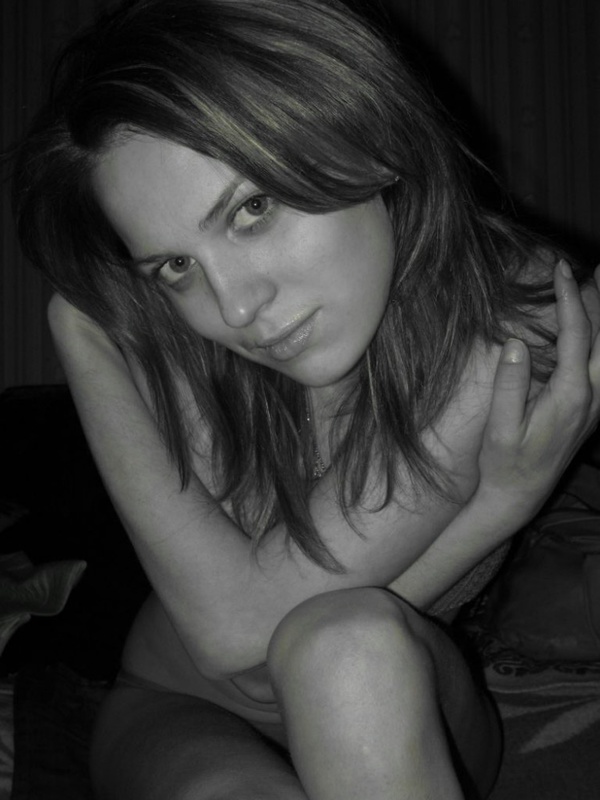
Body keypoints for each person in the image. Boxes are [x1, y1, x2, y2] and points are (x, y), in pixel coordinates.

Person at [12, 0, 600, 797]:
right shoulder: (181, 331)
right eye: (174, 265)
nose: (235, 308)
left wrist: (504, 503)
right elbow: (232, 658)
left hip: (395, 688)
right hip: (174, 702)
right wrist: (502, 502)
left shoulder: (515, 314)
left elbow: (248, 638)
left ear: (368, 137)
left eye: (252, 209)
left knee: (345, 648)